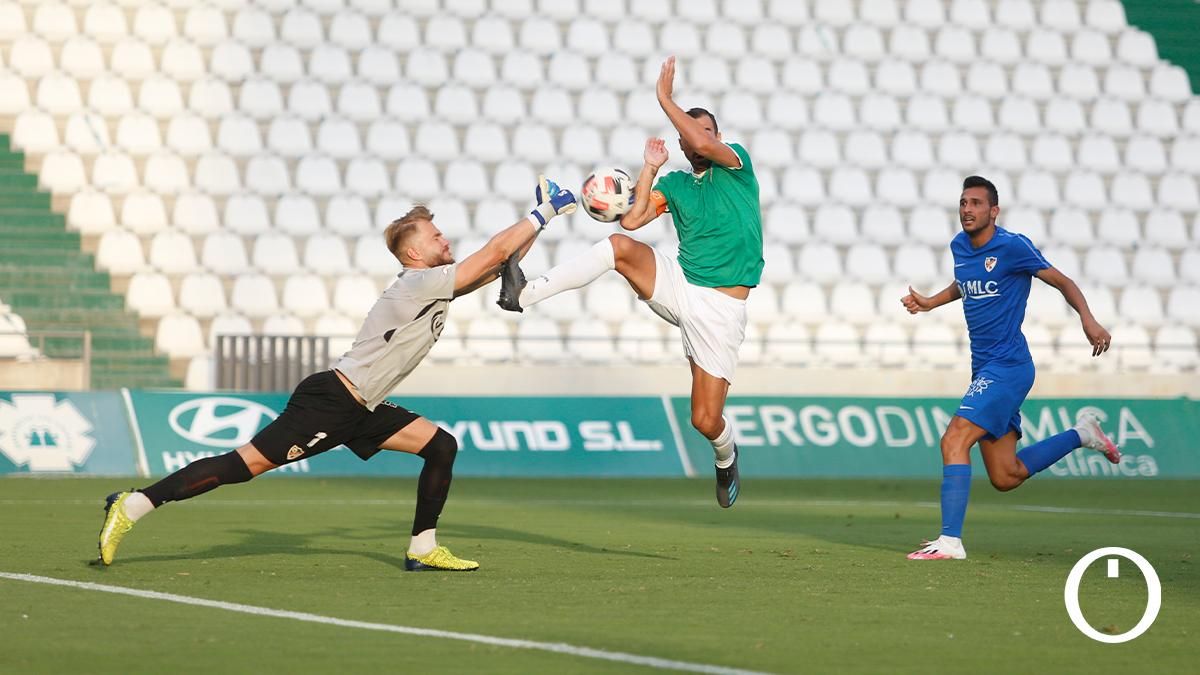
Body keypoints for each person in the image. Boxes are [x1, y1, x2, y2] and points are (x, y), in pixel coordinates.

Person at [98, 179, 579, 571]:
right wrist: (545, 212)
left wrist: (541, 219)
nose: (445, 241)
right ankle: (136, 504)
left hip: (362, 405)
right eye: (436, 237)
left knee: (440, 446)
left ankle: (423, 548)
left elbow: (501, 264)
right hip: (332, 402)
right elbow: (493, 254)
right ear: (414, 254)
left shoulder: (434, 285)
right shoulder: (420, 283)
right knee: (243, 467)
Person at [495, 56, 764, 508]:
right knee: (618, 246)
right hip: (682, 284)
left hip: (721, 308)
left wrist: (664, 98)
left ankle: (726, 455)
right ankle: (525, 293)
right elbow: (634, 220)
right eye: (690, 135)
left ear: (718, 138)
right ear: (681, 145)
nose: (700, 140)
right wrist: (650, 168)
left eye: (708, 133)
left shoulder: (737, 165)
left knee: (704, 420)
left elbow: (702, 138)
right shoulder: (676, 183)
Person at [901, 175, 1121, 560]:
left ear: (994, 211)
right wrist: (932, 302)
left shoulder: (1013, 246)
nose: (967, 209)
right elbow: (965, 282)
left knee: (954, 440)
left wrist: (1088, 319)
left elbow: (1062, 281)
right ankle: (1082, 434)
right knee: (1006, 475)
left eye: (976, 203)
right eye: (963, 202)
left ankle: (950, 542)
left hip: (1008, 366)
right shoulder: (959, 246)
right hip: (984, 368)